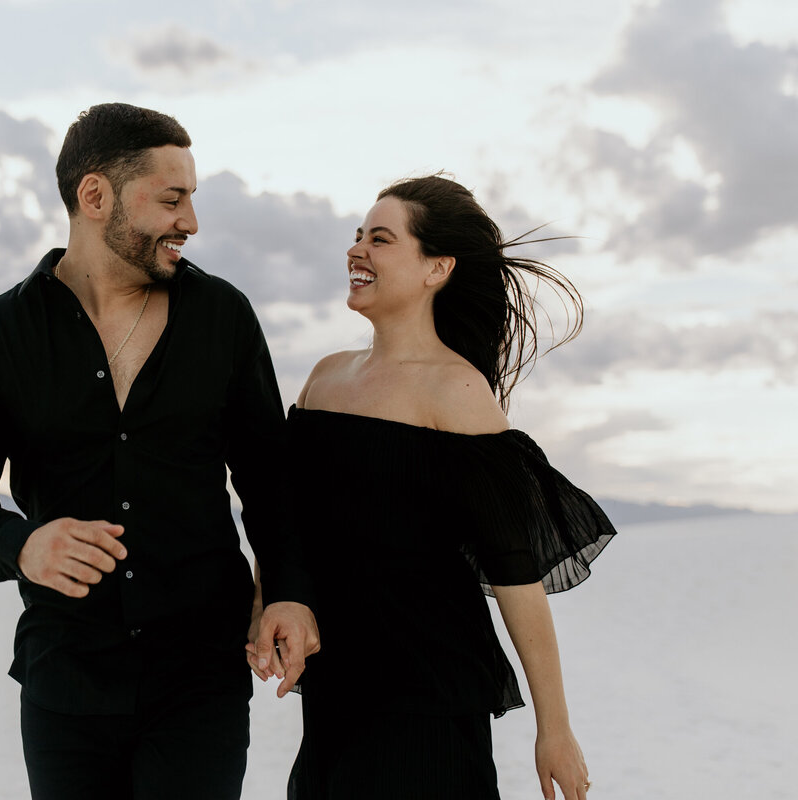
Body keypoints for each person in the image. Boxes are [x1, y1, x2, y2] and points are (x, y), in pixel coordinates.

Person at [0, 102, 319, 800]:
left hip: (200, 677)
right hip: (66, 675)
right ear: (95, 196)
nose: (190, 222)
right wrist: (20, 545)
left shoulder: (223, 317)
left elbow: (270, 479)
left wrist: (286, 590)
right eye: (172, 199)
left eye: (192, 199)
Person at [256, 174, 616, 800]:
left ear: (437, 268)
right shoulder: (325, 378)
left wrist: (553, 727)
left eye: (382, 239)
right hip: (335, 699)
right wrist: (268, 602)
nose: (357, 251)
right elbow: (288, 516)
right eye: (358, 235)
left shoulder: (458, 392)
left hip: (428, 706)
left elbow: (515, 577)